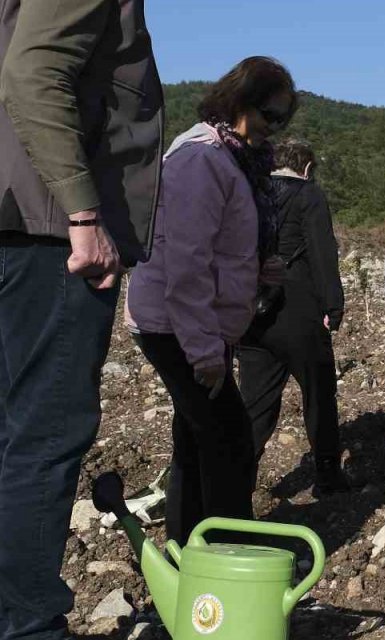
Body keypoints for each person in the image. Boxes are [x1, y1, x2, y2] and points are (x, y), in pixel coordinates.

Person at [0, 1, 162, 636]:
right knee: (43, 433)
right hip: (51, 234)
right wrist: (84, 214)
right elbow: (34, 69)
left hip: (20, 219)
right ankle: (29, 625)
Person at [127, 56, 297, 546]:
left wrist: (257, 266)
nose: (276, 129)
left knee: (196, 441)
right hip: (176, 326)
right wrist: (203, 351)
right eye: (271, 115)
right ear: (240, 102)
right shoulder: (201, 160)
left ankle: (190, 552)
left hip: (196, 324)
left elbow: (218, 242)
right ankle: (226, 556)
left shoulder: (230, 156)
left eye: (283, 120)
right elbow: (186, 262)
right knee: (229, 444)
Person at [237, 139, 349, 495]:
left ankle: (237, 481)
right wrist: (333, 305)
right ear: (305, 168)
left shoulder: (250, 193)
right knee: (319, 393)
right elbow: (321, 252)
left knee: (255, 402)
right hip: (298, 307)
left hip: (253, 311)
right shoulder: (308, 195)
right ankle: (328, 475)